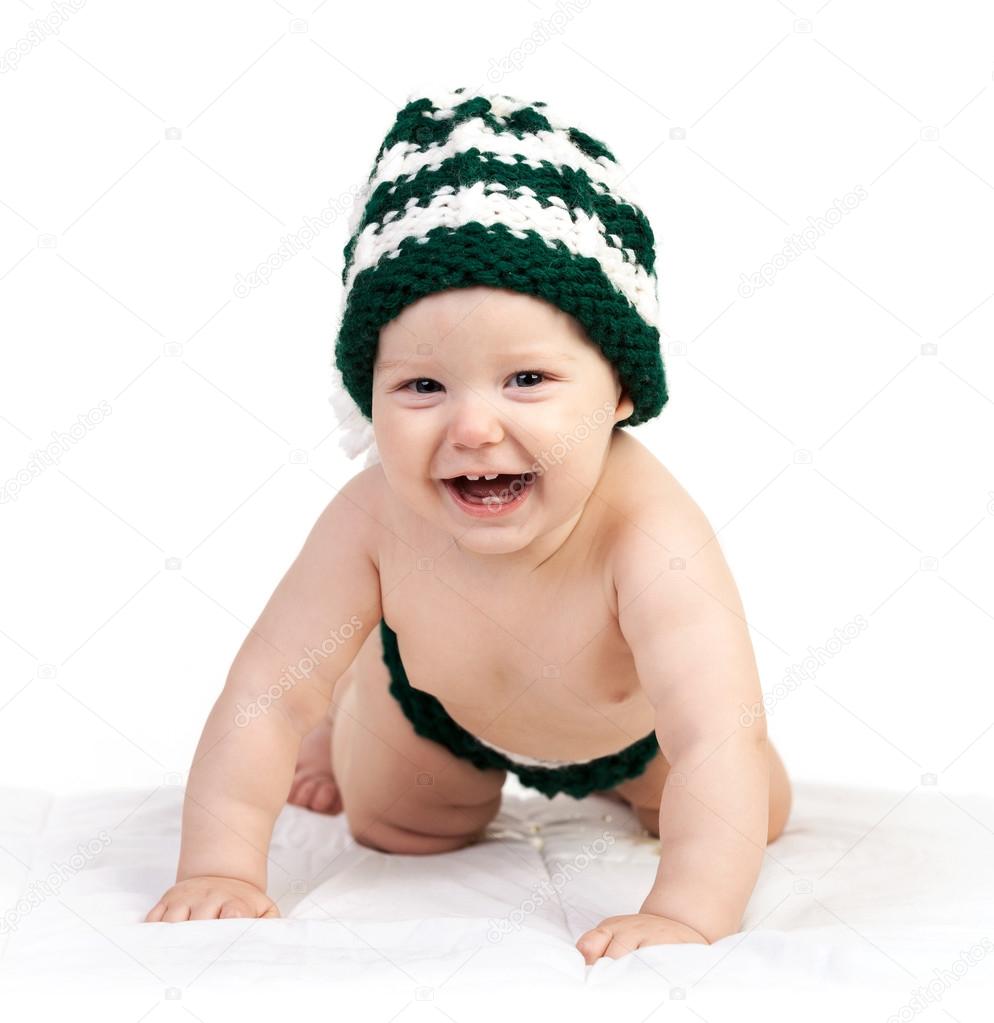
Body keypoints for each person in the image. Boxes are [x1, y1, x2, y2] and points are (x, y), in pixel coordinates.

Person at [144, 86, 791, 963]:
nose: (473, 428)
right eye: (421, 386)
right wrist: (218, 867)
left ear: (622, 392)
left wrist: (685, 909)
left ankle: (627, 791)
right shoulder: (373, 517)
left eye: (526, 379)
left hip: (635, 732)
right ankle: (352, 711)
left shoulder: (650, 532)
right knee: (396, 825)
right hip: (439, 714)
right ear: (366, 398)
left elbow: (716, 729)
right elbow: (265, 690)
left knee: (752, 804)